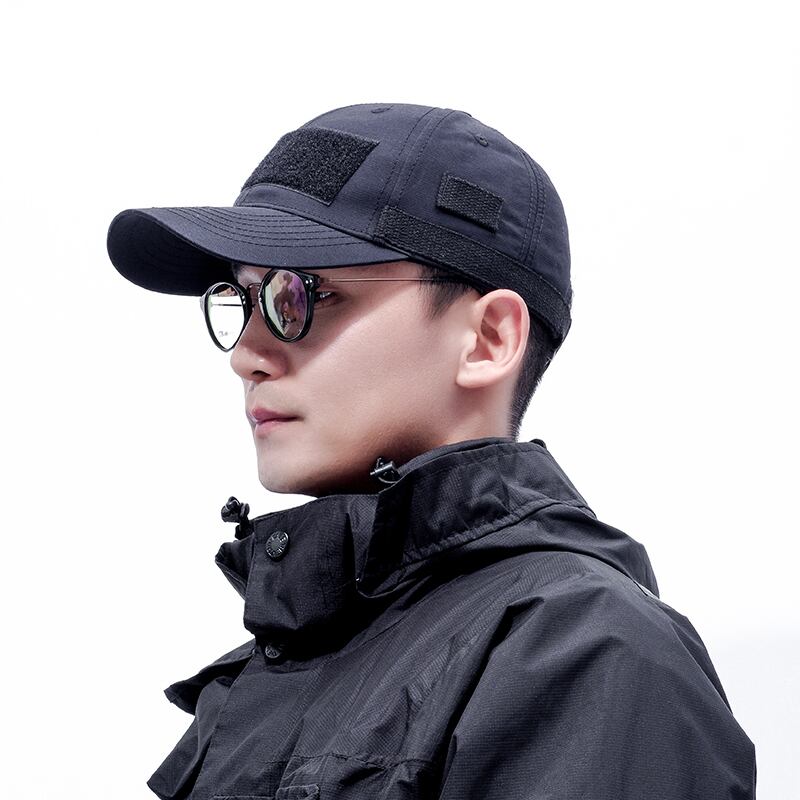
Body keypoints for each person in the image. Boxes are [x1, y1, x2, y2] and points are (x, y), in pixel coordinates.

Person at [106, 102, 757, 799]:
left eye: (302, 296)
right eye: (243, 299)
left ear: (489, 339)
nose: (247, 355)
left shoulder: (585, 646)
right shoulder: (277, 662)